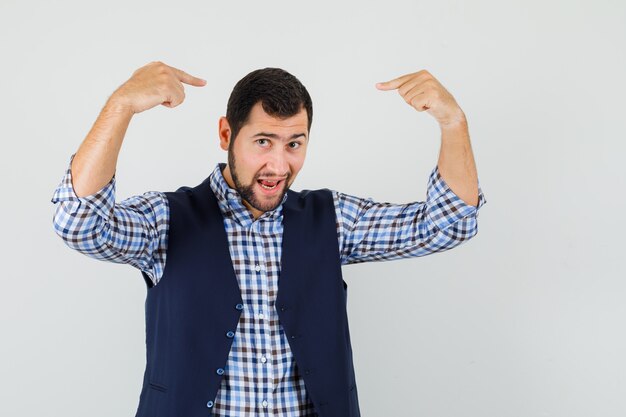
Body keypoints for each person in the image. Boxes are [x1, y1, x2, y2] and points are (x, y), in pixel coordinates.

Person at [51, 61, 486, 417]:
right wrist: (121, 105)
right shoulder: (167, 219)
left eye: (294, 143)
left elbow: (450, 224)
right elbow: (78, 224)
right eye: (263, 141)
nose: (279, 165)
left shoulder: (332, 220)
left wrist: (452, 122)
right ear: (226, 135)